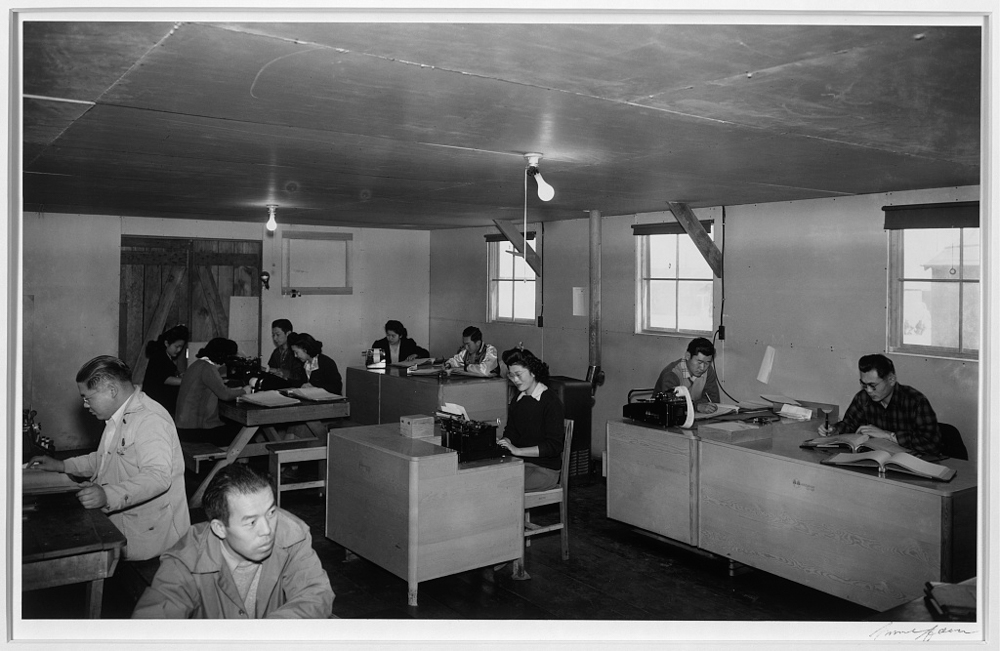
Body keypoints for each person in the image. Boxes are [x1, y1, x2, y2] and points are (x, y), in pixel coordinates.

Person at [28, 356, 190, 561]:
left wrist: (107, 496)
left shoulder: (150, 419)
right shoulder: (118, 415)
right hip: (129, 522)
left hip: (154, 538)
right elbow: (106, 457)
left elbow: (157, 477)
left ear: (112, 390)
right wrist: (62, 465)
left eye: (88, 397)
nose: (86, 405)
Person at [132, 464, 334, 619]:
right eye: (251, 521)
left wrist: (267, 634)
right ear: (220, 528)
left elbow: (315, 593)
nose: (267, 530)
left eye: (271, 512)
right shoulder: (186, 560)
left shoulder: (292, 534)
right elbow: (151, 625)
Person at [818, 353, 942, 456]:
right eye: (864, 385)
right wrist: (834, 430)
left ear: (891, 380)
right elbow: (849, 424)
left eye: (873, 386)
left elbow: (931, 444)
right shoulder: (863, 398)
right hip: (875, 462)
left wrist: (889, 435)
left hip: (913, 467)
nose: (869, 391)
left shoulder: (915, 401)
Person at [496, 348, 565, 491]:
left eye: (518, 375)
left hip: (545, 470)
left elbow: (554, 446)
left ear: (533, 372)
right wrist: (505, 442)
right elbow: (511, 432)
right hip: (521, 464)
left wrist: (518, 451)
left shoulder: (550, 401)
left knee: (502, 488)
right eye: (511, 375)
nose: (515, 380)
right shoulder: (518, 399)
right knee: (486, 480)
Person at [175, 338, 249, 446]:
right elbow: (225, 395)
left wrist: (236, 390)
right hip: (195, 430)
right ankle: (237, 461)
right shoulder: (208, 368)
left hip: (184, 426)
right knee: (242, 432)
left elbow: (216, 388)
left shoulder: (197, 364)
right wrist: (244, 390)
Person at [653, 337, 720, 414]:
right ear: (688, 356)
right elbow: (671, 404)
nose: (702, 368)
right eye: (699, 362)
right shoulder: (672, 374)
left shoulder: (708, 371)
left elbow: (713, 400)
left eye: (707, 363)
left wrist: (695, 405)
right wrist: (696, 406)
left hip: (694, 415)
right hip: (663, 415)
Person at [142, 324, 190, 415]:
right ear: (167, 343)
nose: (179, 350)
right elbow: (165, 378)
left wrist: (179, 376)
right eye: (176, 346)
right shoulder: (159, 357)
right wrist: (186, 380)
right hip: (157, 404)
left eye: (181, 347)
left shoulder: (165, 356)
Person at [266, 319, 306, 386]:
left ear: (288, 333)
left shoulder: (297, 353)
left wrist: (282, 373)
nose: (275, 338)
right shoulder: (276, 352)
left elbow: (300, 376)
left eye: (278, 335)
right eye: (273, 335)